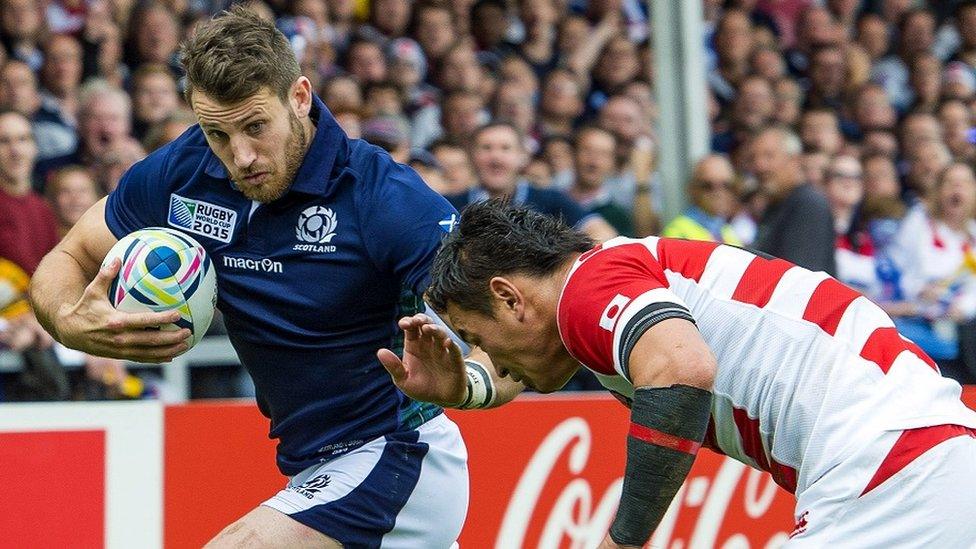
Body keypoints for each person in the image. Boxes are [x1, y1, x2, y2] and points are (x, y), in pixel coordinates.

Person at [29, 8, 467, 547]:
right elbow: (67, 256)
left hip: (398, 454)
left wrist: (476, 381)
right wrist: (73, 324)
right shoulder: (187, 170)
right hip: (316, 468)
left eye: (256, 126)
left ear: (299, 97)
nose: (240, 156)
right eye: (217, 132)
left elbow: (506, 318)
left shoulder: (382, 195)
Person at [381, 200, 976, 549]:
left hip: (889, 469)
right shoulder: (601, 284)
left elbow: (683, 369)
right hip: (928, 450)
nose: (496, 359)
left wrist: (623, 540)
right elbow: (527, 370)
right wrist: (468, 389)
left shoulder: (587, 291)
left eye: (482, 341)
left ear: (510, 297)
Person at [446, 121, 618, 243]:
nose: (496, 157)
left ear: (522, 156)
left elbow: (603, 235)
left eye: (505, 148)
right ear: (471, 156)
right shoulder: (451, 205)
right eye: (486, 148)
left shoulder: (550, 200)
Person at [749, 125, 836, 275]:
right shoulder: (777, 204)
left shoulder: (808, 204)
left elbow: (800, 277)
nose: (759, 165)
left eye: (769, 156)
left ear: (794, 160)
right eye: (753, 158)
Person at [662, 155, 741, 245]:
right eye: (708, 186)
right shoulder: (677, 233)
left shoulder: (729, 232)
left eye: (726, 185)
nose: (719, 192)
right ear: (692, 189)